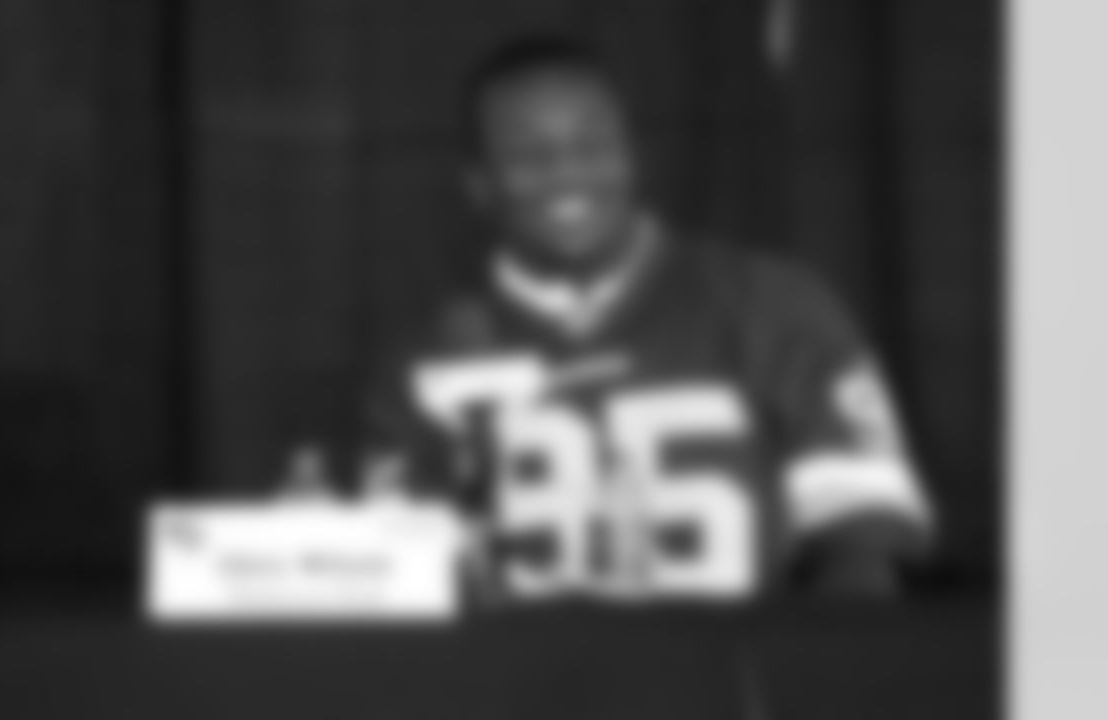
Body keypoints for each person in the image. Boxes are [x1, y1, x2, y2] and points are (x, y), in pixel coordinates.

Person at [291, 34, 934, 603]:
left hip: (737, 677)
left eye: (593, 144)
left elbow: (864, 546)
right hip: (517, 684)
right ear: (478, 183)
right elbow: (403, 579)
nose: (567, 172)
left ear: (632, 154)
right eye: (527, 155)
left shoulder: (771, 305)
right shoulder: (425, 361)